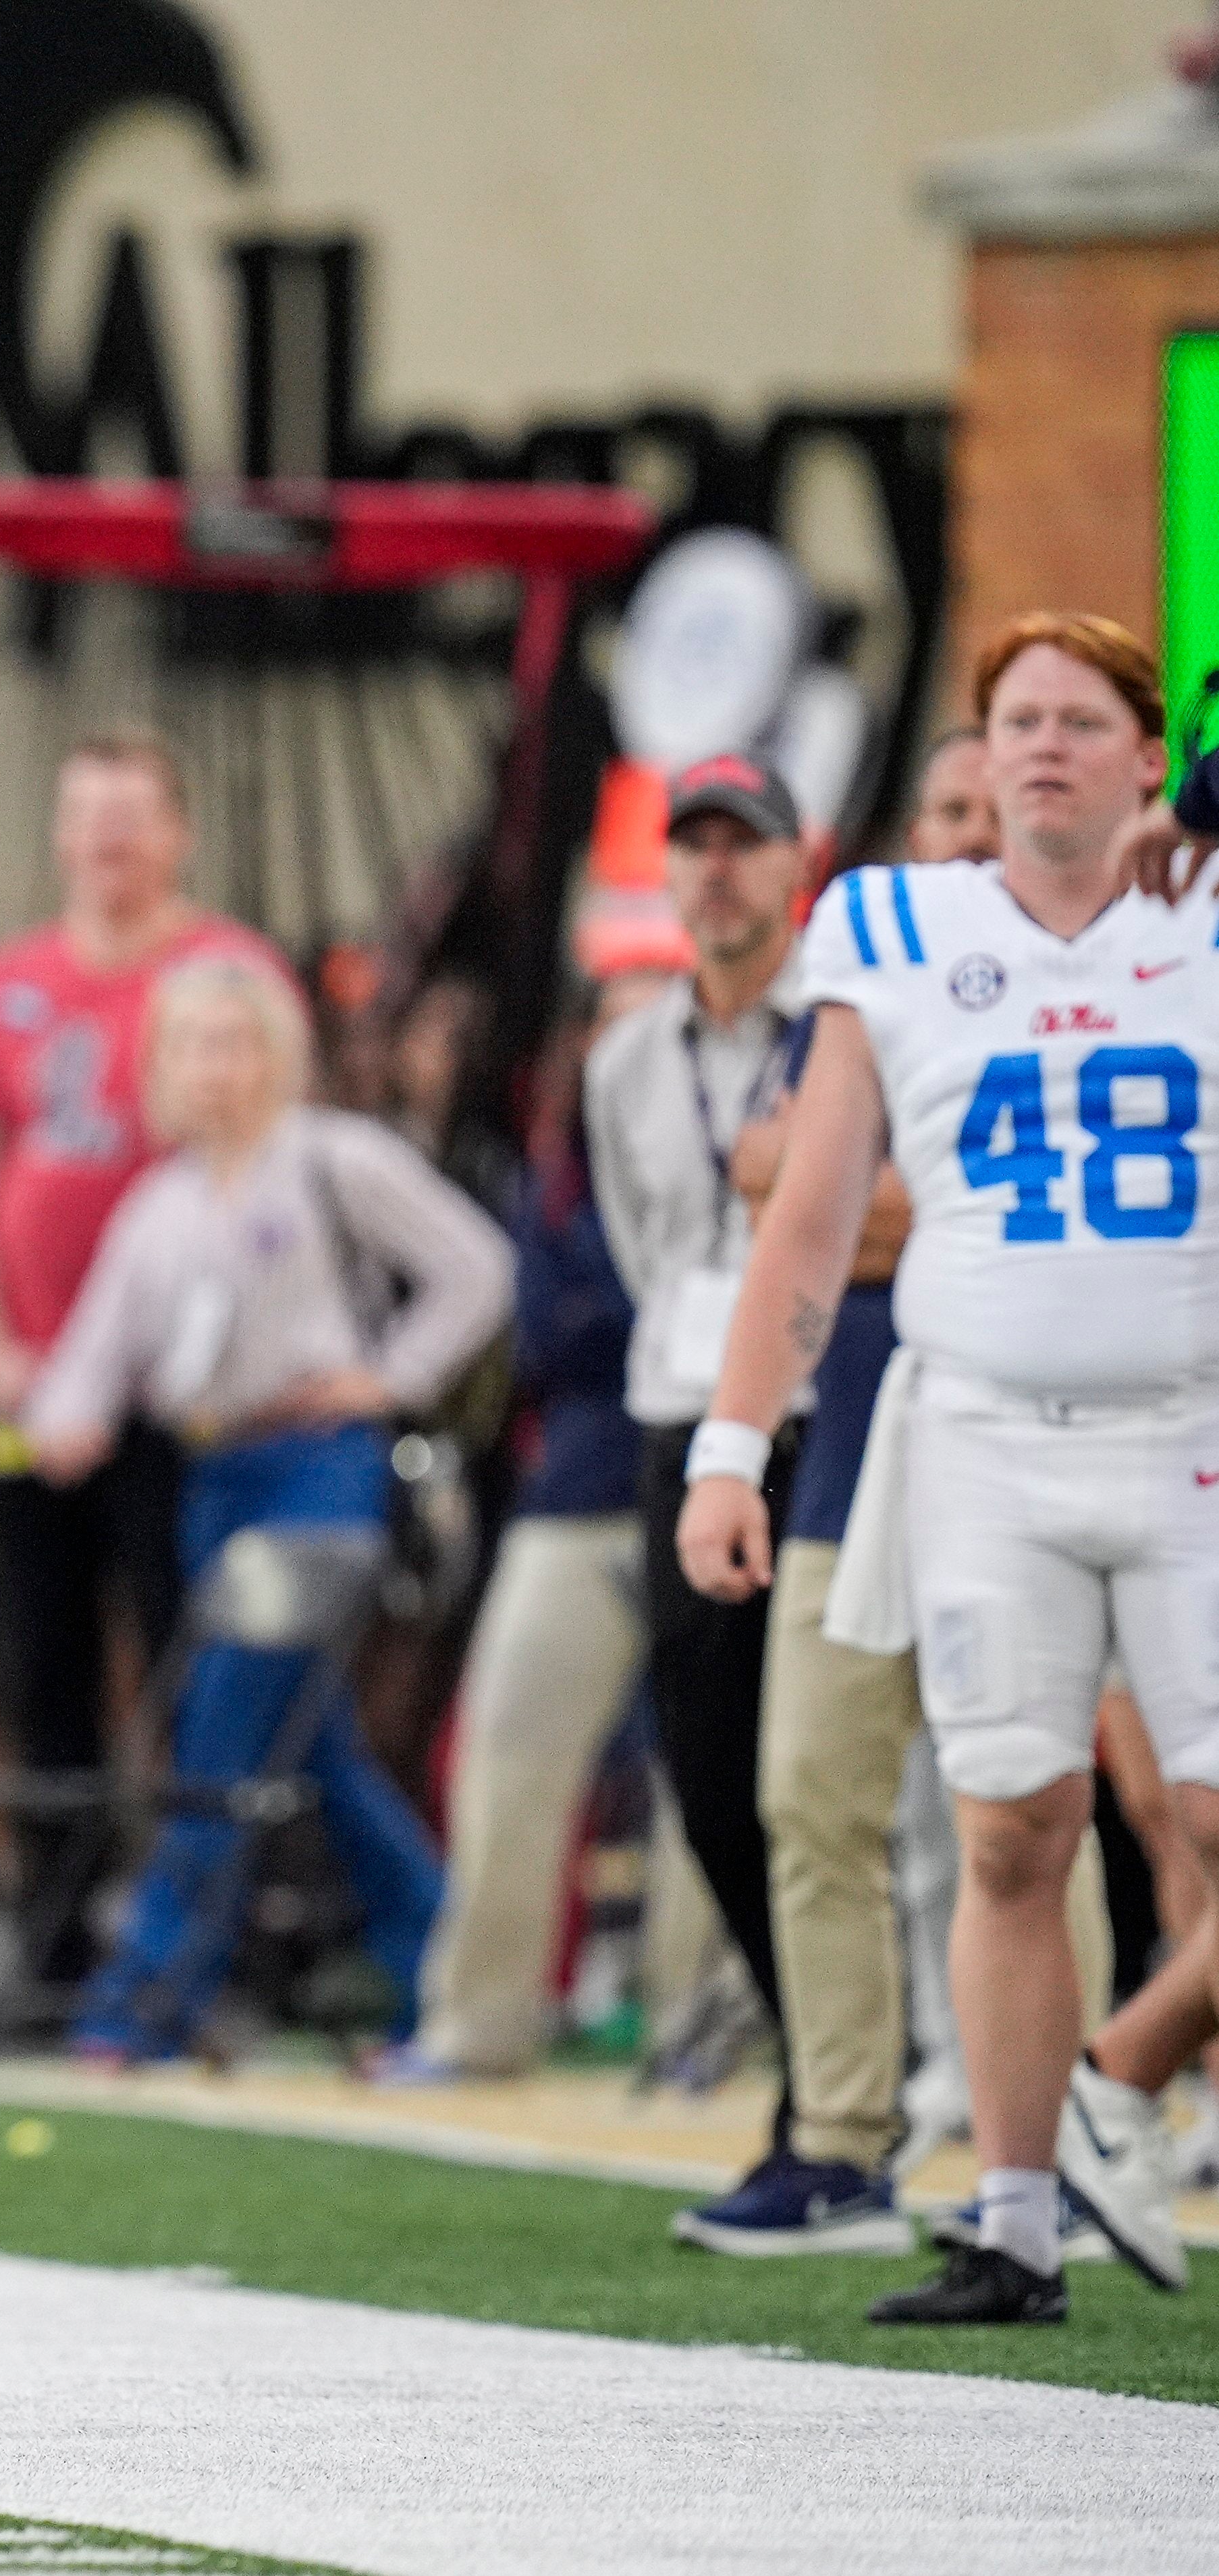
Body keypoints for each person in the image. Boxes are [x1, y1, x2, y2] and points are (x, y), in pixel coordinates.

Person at [683, 611, 1219, 2324]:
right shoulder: (890, 929)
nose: (1039, 748)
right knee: (1007, 1836)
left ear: (1146, 753)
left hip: (1191, 1428)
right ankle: (1009, 2218)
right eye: (1011, 722)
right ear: (974, 762)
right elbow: (807, 1216)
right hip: (977, 1430)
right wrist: (726, 1449)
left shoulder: (1205, 901)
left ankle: (1114, 2073)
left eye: (1077, 719)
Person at [25, 954, 508, 2059]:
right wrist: (59, 1421)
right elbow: (95, 1358)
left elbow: (476, 1267)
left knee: (220, 1735)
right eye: (192, 1045)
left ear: (278, 1056)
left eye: (237, 1043)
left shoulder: (336, 1159)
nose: (215, 1070)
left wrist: (390, 1376)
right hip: (216, 1477)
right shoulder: (161, 1205)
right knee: (307, 1747)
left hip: (321, 1468)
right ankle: (448, 1959)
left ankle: (144, 2000)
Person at [0, 732, 292, 1999]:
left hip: (181, 1397)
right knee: (45, 1658)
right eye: (89, 820)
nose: (110, 847)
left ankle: (198, 1936)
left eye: (134, 821)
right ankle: (55, 1932)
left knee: (193, 1657)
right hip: (37, 1386)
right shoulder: (0, 985)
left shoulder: (227, 973)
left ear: (178, 833)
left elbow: (273, 1173)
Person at [686, 730, 991, 2251]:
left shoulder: (1120, 966)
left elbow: (931, 1195)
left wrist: (896, 1194)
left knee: (1046, 1804)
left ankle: (1054, 2139)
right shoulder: (874, 972)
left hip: (1037, 1423)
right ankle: (843, 2134)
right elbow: (775, 1179)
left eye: (991, 810)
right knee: (809, 1782)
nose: (965, 836)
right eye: (945, 808)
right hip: (857, 1418)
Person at [583, 751, 813, 2162]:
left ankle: (862, 2076)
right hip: (684, 1413)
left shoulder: (845, 1028)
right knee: (711, 1771)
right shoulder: (623, 1059)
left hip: (820, 1416)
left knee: (836, 1767)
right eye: (695, 845)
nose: (717, 867)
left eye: (745, 843)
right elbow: (640, 1244)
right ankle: (817, 2038)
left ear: (796, 867)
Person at [386, 975, 663, 2081]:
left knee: (719, 1779)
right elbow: (554, 1332)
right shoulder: (555, 1170)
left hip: (727, 1486)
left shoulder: (754, 1139)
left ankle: (702, 2030)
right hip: (585, 1485)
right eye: (616, 1019)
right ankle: (480, 2017)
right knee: (506, 1747)